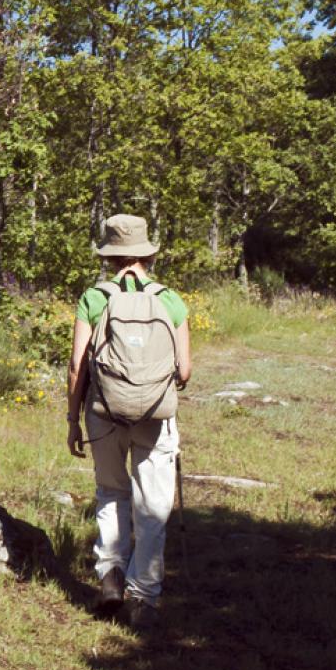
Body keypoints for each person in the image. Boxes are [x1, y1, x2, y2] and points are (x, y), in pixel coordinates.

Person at [63, 213, 192, 630]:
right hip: (156, 413)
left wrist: (72, 420)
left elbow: (75, 368)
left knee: (111, 490)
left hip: (103, 412)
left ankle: (111, 576)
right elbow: (185, 370)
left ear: (110, 256)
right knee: (152, 505)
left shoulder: (94, 298)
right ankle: (143, 597)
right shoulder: (170, 300)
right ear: (146, 255)